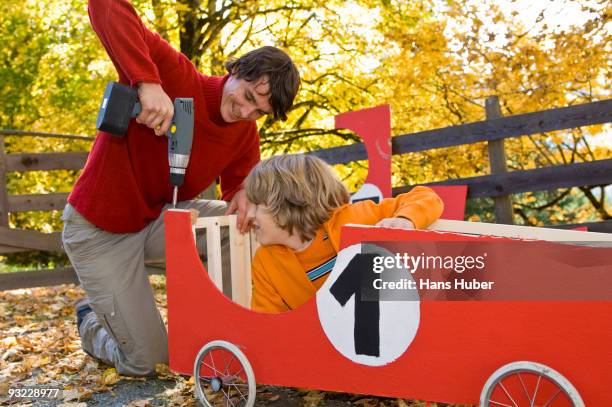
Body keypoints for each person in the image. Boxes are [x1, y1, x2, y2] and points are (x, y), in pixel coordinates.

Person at [62, 0, 300, 376]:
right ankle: (92, 322)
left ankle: (229, 329)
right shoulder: (174, 74)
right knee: (149, 362)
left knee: (243, 222)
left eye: (259, 112)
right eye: (248, 97)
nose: (245, 113)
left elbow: (239, 192)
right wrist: (147, 82)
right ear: (236, 70)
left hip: (155, 223)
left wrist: (245, 195)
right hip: (99, 231)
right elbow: (104, 6)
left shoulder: (243, 134)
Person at [244, 155, 444, 314]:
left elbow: (427, 196)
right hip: (323, 350)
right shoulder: (265, 262)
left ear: (291, 203)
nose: (249, 215)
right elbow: (268, 324)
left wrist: (406, 219)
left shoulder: (355, 218)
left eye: (258, 205)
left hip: (386, 334)